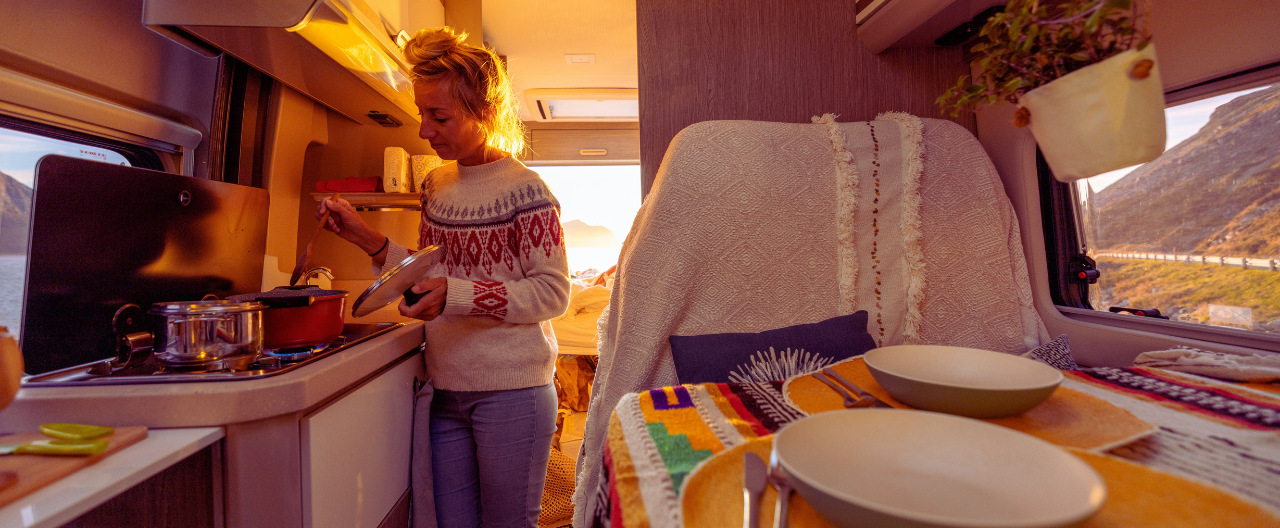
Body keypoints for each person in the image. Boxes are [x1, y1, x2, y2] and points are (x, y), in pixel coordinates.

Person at [316, 26, 570, 528]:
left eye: (439, 116)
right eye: (422, 114)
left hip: (514, 392)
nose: (424, 131)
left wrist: (455, 294)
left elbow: (552, 293)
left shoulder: (528, 192)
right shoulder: (435, 185)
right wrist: (365, 237)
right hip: (445, 388)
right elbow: (429, 271)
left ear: (486, 113)